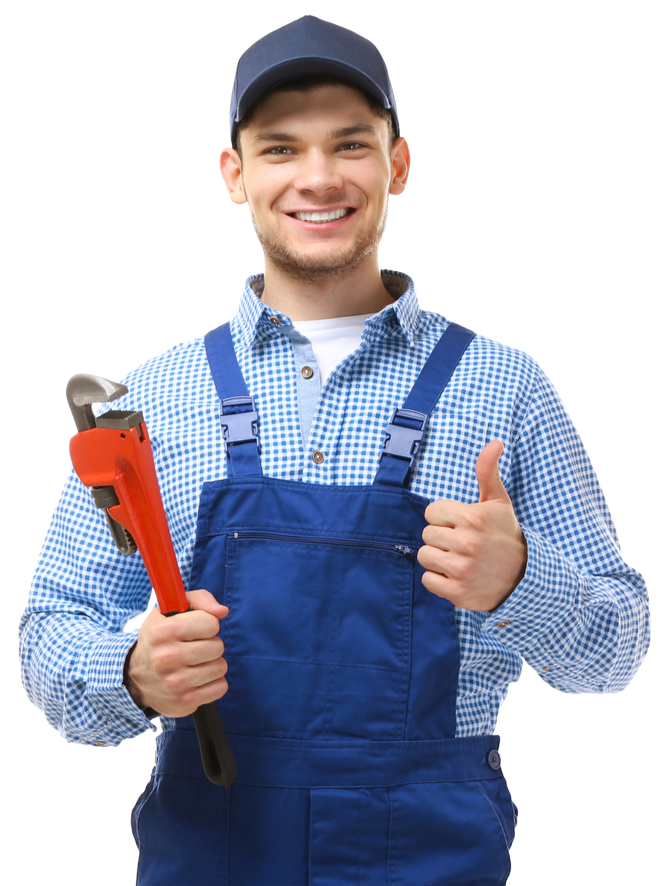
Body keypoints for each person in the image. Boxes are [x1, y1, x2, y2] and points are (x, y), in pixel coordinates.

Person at [19, 14, 651, 886]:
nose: (318, 178)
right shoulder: (153, 397)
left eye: (349, 144)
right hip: (210, 849)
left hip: (432, 858)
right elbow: (51, 639)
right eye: (280, 149)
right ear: (234, 175)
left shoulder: (505, 387)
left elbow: (617, 658)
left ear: (397, 163)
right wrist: (131, 669)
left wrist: (519, 580)